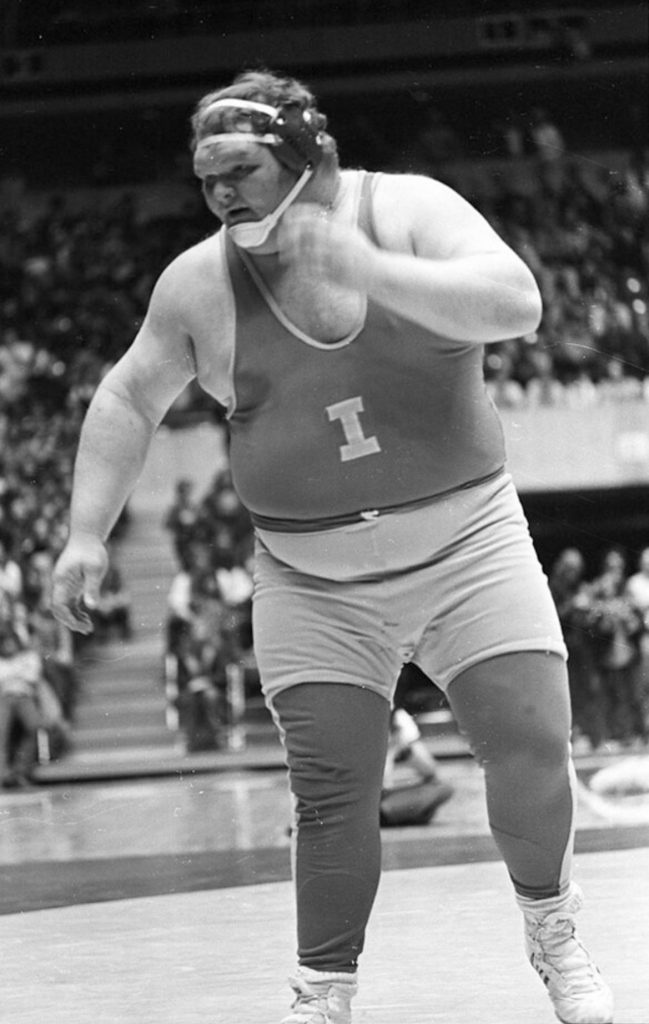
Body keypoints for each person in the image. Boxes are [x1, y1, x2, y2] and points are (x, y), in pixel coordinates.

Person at [51, 69, 613, 1024]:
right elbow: (128, 395)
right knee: (330, 792)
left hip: (467, 548)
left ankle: (554, 935)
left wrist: (369, 270)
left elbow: (516, 304)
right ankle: (324, 993)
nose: (222, 192)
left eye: (243, 168)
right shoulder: (198, 281)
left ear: (306, 157)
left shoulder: (407, 210)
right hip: (313, 578)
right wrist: (81, 536)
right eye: (207, 177)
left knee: (529, 748)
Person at [379, 705, 454, 827]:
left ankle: (399, 813)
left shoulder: (398, 719)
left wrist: (405, 749)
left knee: (443, 787)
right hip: (363, 800)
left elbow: (431, 771)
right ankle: (394, 815)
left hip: (381, 796)